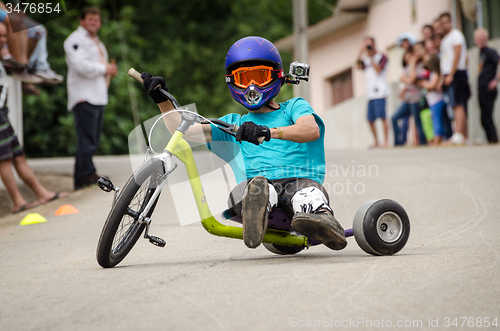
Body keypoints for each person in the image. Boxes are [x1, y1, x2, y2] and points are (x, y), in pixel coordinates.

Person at [141, 36, 347, 251]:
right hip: (259, 187)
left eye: (260, 76)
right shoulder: (233, 124)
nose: (251, 86)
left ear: (277, 76)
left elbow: (310, 129)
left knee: (306, 195)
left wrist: (268, 132)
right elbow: (183, 130)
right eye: (243, 79)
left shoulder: (294, 107)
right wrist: (162, 101)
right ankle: (256, 212)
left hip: (299, 182)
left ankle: (322, 222)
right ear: (232, 82)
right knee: (256, 189)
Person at [0, 23, 67, 213]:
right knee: (4, 160)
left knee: (18, 156)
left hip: (2, 113)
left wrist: (26, 85)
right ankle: (17, 201)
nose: (4, 40)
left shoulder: (2, 60)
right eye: (0, 36)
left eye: (5, 36)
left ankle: (41, 193)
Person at [64, 7, 117, 190]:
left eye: (97, 19)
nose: (93, 22)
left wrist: (107, 70)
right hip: (84, 96)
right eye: (90, 19)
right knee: (86, 138)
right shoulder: (75, 40)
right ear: (82, 21)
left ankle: (86, 173)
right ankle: (84, 175)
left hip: (97, 95)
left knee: (92, 138)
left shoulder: (97, 42)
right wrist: (104, 69)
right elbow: (80, 66)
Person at [439, 12, 471, 145]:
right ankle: (462, 136)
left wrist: (451, 74)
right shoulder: (445, 38)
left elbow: (458, 54)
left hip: (456, 73)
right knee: (454, 104)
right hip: (450, 74)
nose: (444, 25)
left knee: (458, 104)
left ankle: (460, 135)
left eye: (446, 22)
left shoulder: (456, 35)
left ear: (451, 22)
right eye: (442, 23)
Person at [391, 42, 428, 146]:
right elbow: (402, 77)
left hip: (416, 99)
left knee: (418, 122)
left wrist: (412, 65)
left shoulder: (421, 65)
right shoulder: (407, 67)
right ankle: (397, 144)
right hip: (407, 100)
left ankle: (423, 143)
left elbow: (411, 78)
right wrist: (409, 79)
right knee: (394, 118)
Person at [356, 37, 389, 148]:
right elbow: (357, 66)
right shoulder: (366, 60)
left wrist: (371, 57)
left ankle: (386, 141)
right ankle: (376, 142)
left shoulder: (382, 56)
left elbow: (379, 70)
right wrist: (360, 53)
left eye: (369, 45)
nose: (368, 47)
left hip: (380, 91)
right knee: (370, 119)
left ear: (374, 44)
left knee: (382, 117)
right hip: (370, 94)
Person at [474, 28, 499, 144]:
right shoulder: (481, 53)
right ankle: (491, 140)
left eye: (482, 38)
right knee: (484, 118)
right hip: (482, 88)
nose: (480, 40)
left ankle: (493, 141)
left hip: (489, 89)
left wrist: (495, 80)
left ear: (487, 39)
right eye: (478, 38)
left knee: (486, 118)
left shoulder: (490, 51)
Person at [418, 54, 446, 145]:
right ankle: (439, 140)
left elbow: (431, 86)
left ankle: (437, 140)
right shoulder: (435, 74)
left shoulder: (435, 74)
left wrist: (424, 84)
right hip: (433, 101)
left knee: (436, 121)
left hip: (436, 101)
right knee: (436, 120)